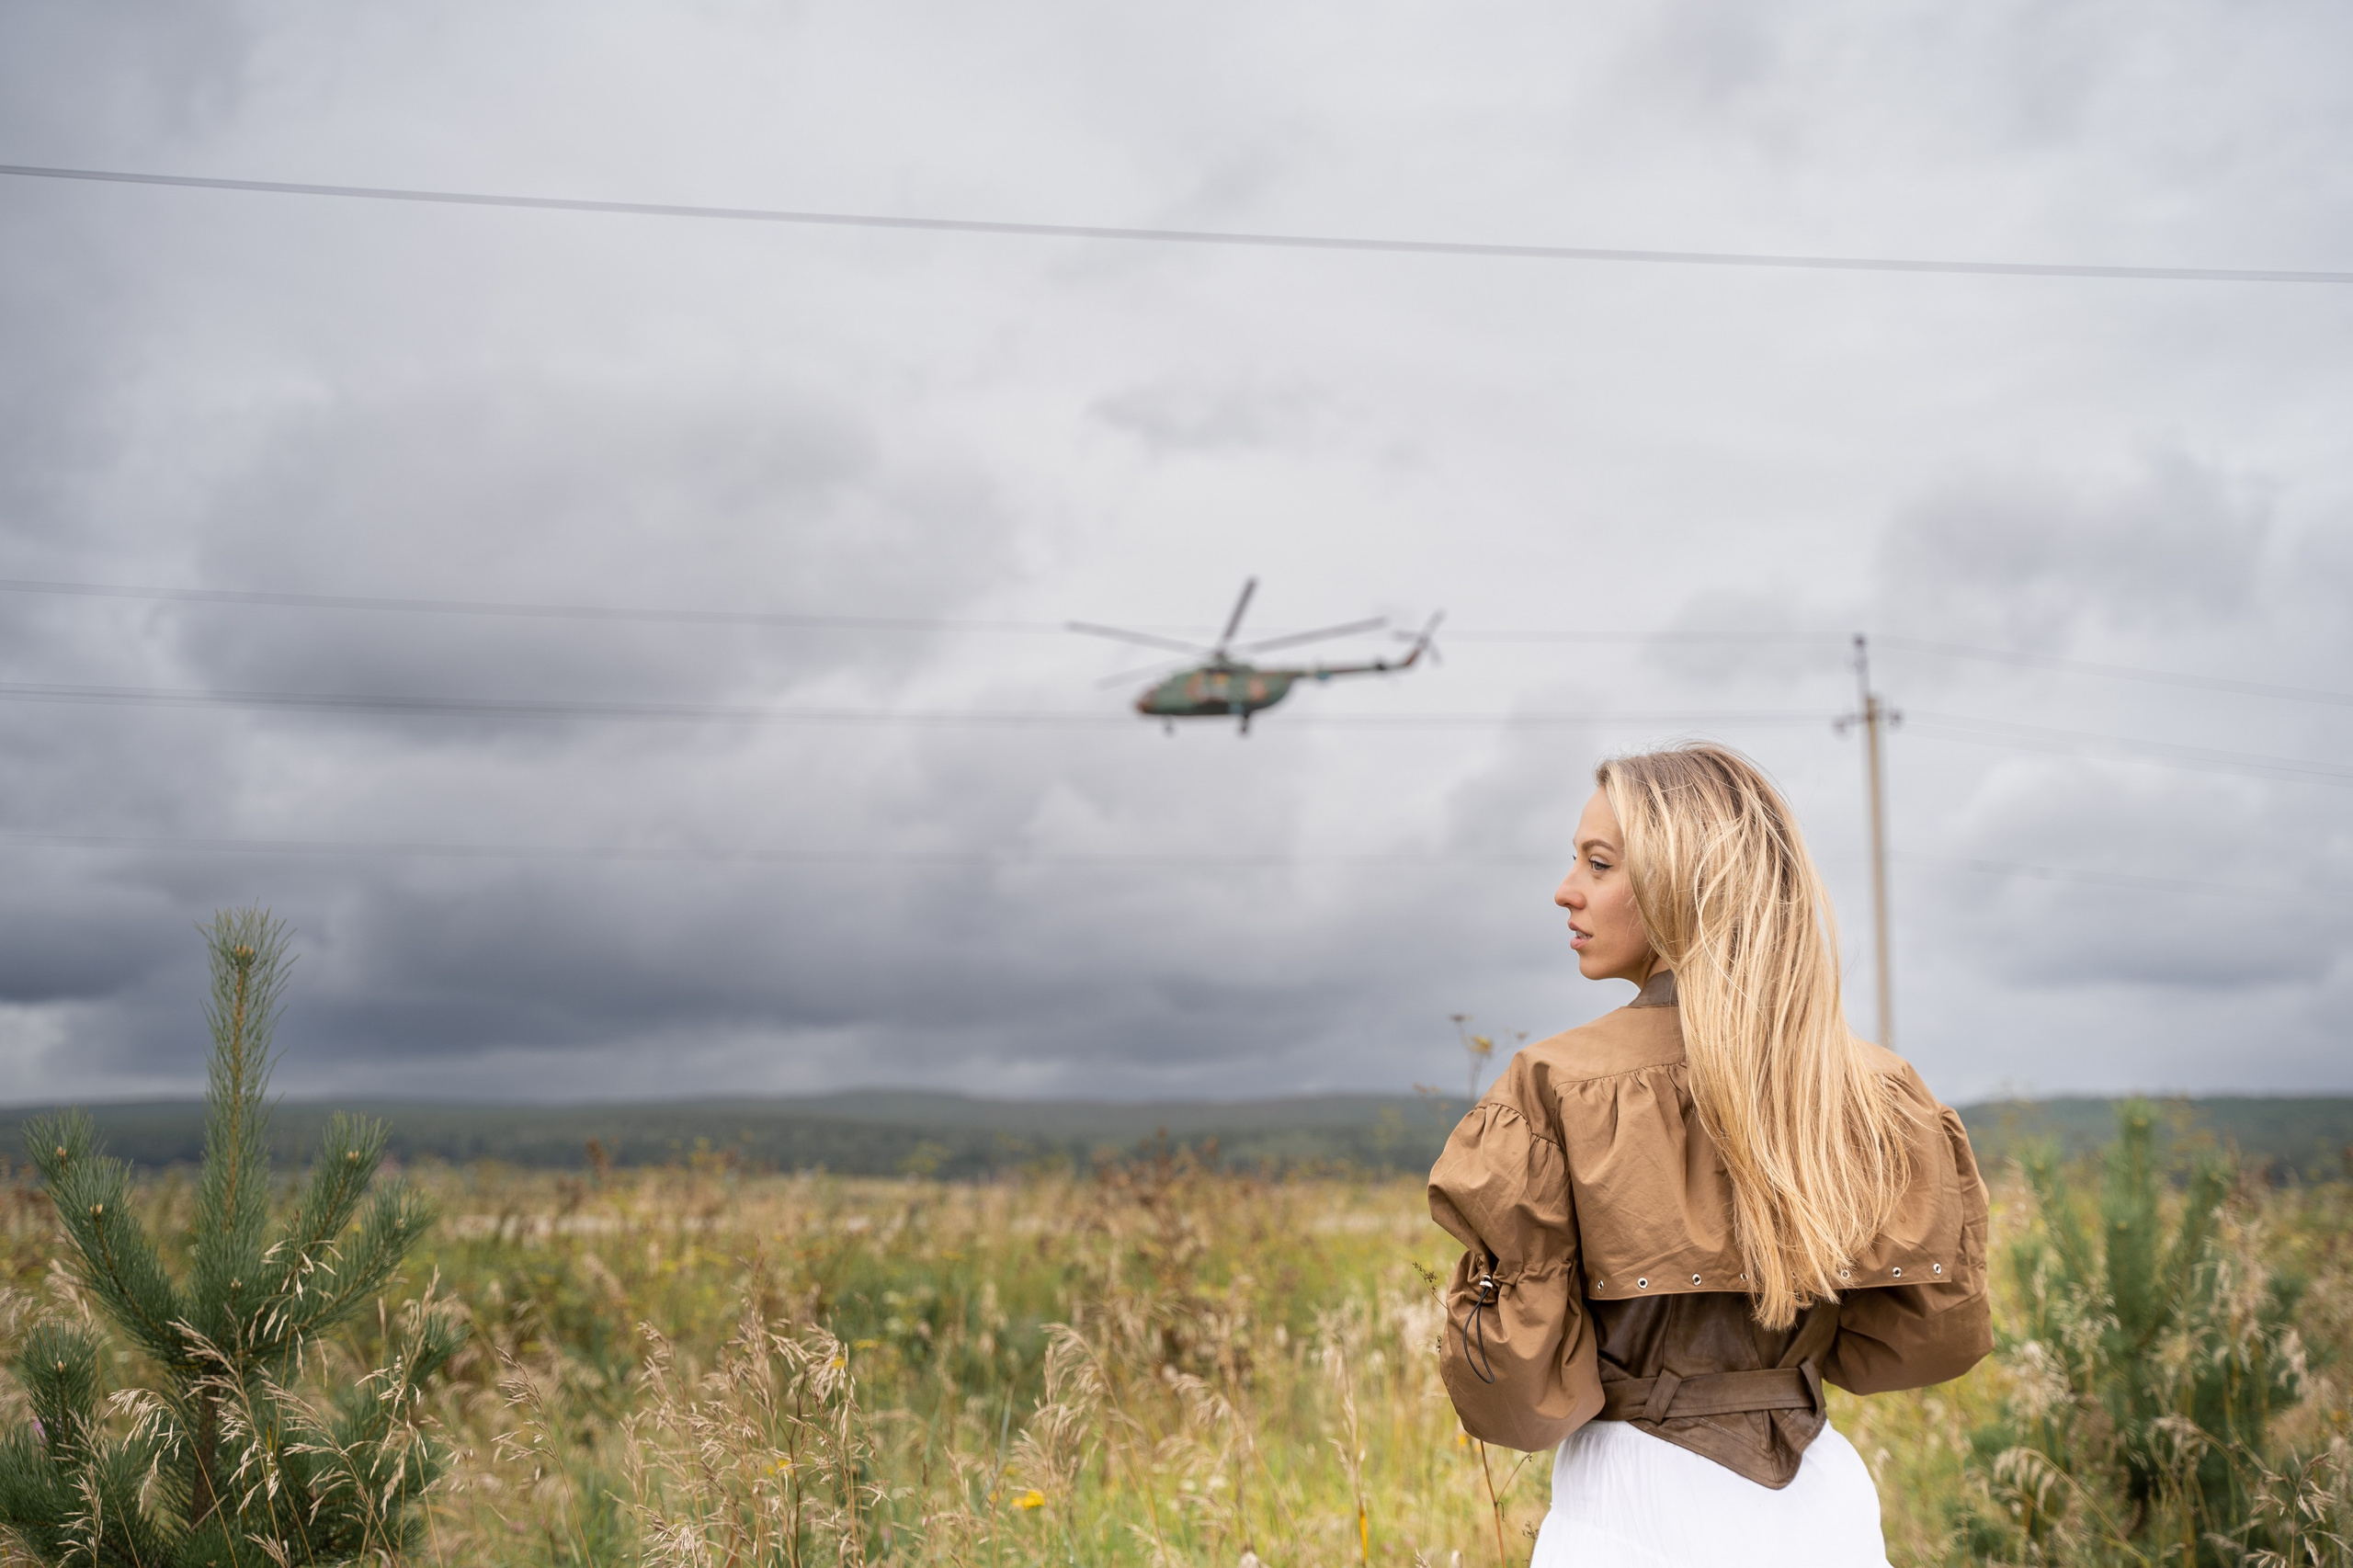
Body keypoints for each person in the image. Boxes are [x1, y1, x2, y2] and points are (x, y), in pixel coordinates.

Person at [1427, 744, 1991, 1568]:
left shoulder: (1552, 1088)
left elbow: (1521, 1402)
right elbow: (1919, 1344)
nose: (1566, 889)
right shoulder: (1880, 1089)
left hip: (1632, 1503)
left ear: (1680, 882)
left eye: (1598, 862)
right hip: (1823, 1507)